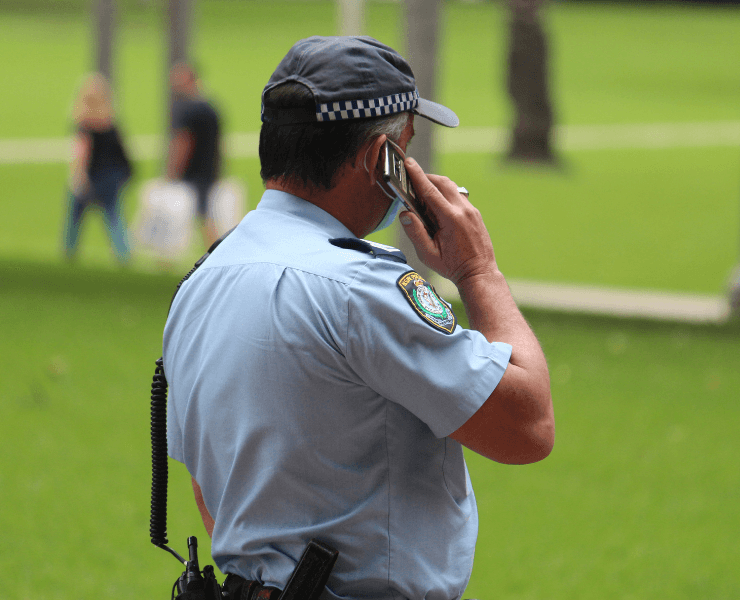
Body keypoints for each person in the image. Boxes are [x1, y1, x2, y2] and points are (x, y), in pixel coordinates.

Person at [163, 36, 554, 600]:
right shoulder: (360, 289)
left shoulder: (201, 281)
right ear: (379, 160)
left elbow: (209, 491)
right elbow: (527, 426)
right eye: (405, 148)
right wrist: (478, 272)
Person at [64, 72, 132, 264]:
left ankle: (69, 252)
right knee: (114, 218)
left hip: (91, 176)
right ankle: (123, 254)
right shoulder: (110, 123)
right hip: (111, 179)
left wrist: (78, 175)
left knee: (75, 218)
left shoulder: (84, 125)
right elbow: (121, 152)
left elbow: (81, 152)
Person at [166, 62, 222, 248]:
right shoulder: (210, 107)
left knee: (196, 216)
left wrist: (173, 170)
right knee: (204, 214)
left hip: (193, 173)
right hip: (209, 170)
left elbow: (183, 143)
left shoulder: (186, 110)